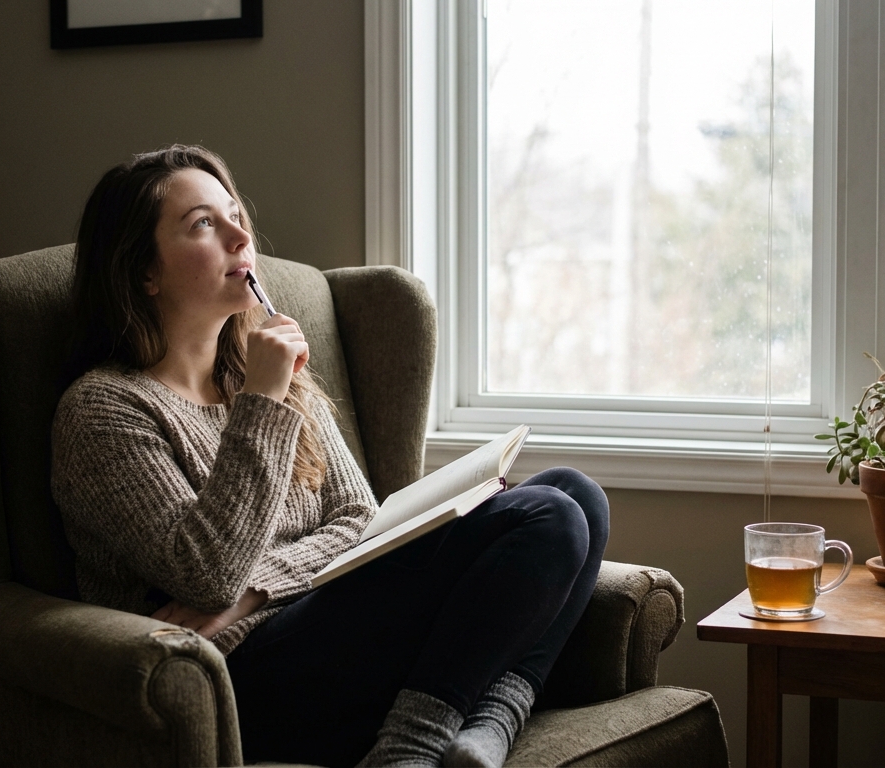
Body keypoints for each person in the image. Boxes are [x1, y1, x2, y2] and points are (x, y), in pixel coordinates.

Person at [50, 145, 610, 768]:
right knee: (548, 517)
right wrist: (265, 398)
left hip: (310, 622)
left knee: (578, 494)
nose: (241, 235)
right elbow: (205, 573)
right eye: (204, 224)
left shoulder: (264, 371)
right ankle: (407, 752)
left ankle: (490, 723)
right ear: (142, 272)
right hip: (245, 677)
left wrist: (253, 592)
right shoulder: (105, 409)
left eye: (236, 215)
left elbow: (356, 520)